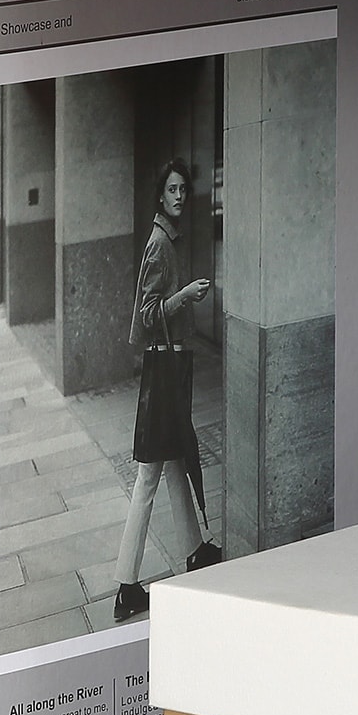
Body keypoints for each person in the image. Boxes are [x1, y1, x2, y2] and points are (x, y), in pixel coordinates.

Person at [113, 156, 221, 623]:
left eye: (183, 190)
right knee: (148, 477)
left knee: (174, 459)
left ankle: (195, 550)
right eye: (172, 189)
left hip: (171, 364)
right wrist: (186, 295)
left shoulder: (166, 239)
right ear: (160, 195)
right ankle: (126, 586)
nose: (179, 196)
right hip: (164, 368)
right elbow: (147, 313)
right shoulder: (159, 244)